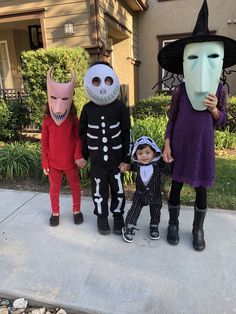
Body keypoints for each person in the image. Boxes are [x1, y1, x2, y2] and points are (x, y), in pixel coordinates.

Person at [158, 0, 236, 251]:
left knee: (201, 190)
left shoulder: (219, 90)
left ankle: (198, 229)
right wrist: (167, 143)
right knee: (177, 187)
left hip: (203, 147)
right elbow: (172, 118)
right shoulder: (180, 91)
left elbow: (223, 122)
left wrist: (214, 109)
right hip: (180, 145)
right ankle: (172, 224)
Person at [78, 61, 132, 235]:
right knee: (99, 192)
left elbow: (126, 133)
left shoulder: (120, 107)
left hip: (116, 162)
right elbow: (83, 134)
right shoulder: (87, 109)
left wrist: (126, 159)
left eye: (107, 80)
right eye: (96, 81)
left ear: (113, 81)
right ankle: (102, 217)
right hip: (97, 163)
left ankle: (118, 217)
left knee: (118, 190)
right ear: (89, 83)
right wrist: (84, 155)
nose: (102, 85)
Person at [41, 69, 83, 227]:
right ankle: (55, 212)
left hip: (71, 162)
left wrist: (78, 154)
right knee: (54, 188)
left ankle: (76, 210)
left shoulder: (73, 119)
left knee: (75, 186)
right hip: (53, 163)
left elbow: (79, 137)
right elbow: (44, 142)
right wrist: (45, 162)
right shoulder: (47, 121)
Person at [122, 136, 170, 243]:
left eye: (147, 153)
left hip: (155, 194)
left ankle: (154, 226)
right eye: (140, 153)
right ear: (136, 155)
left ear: (154, 153)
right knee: (134, 210)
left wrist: (166, 161)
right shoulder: (137, 165)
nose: (144, 156)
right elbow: (130, 167)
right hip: (140, 194)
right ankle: (129, 226)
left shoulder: (158, 165)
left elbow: (167, 172)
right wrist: (126, 167)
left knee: (156, 211)